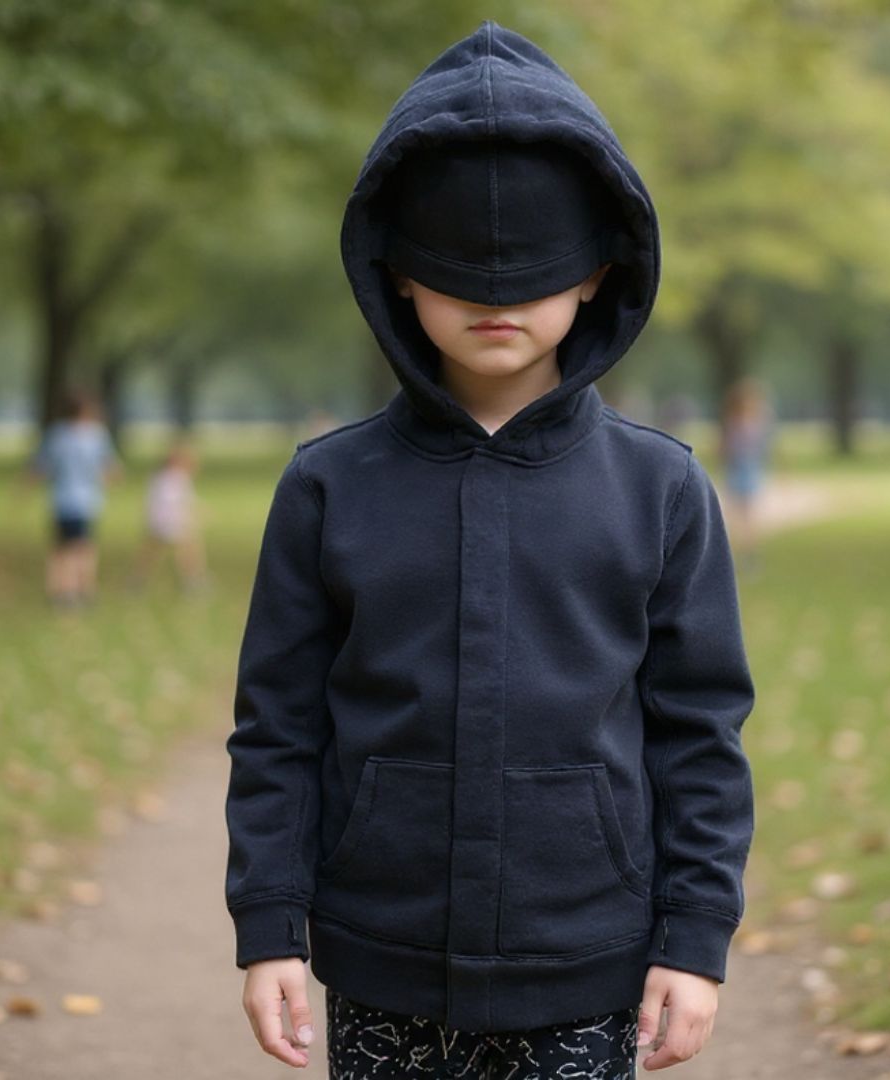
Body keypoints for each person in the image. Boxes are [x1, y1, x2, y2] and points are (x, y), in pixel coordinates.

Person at [224, 22, 755, 1078]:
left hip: (590, 963)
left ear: (601, 272)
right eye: (458, 268)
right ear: (398, 277)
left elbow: (699, 732)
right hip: (380, 960)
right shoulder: (326, 488)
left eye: (532, 271)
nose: (497, 298)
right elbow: (276, 726)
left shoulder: (664, 490)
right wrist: (271, 923)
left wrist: (694, 943)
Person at [26, 387, 123, 609]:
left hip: (60, 501)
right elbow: (111, 469)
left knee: (60, 548)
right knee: (83, 549)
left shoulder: (56, 434)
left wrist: (25, 488)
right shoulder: (96, 435)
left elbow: (41, 467)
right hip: (86, 502)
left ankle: (59, 589)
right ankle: (79, 590)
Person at [128, 439, 209, 594]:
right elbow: (176, 503)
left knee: (151, 551)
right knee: (188, 550)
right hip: (170, 521)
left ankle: (138, 579)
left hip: (159, 521)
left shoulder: (160, 477)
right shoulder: (175, 478)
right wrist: (191, 516)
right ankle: (193, 581)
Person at [718, 376, 774, 577]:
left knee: (744, 517)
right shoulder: (748, 423)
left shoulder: (741, 423)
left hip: (744, 470)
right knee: (741, 517)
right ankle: (745, 556)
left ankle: (746, 556)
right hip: (742, 470)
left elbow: (727, 450)